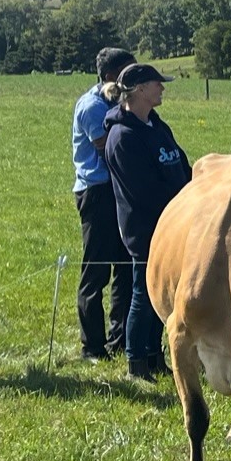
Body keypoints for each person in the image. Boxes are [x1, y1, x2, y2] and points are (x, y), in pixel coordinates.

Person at [104, 63, 192, 380]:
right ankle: (135, 363)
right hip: (146, 231)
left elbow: (181, 163)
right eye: (157, 84)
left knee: (161, 297)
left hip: (172, 226)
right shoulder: (121, 137)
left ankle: (155, 356)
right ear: (140, 89)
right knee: (143, 294)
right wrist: (178, 206)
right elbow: (142, 191)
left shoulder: (157, 126)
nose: (162, 88)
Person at [70, 45, 136, 361]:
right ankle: (91, 346)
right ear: (111, 76)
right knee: (96, 272)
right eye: (129, 71)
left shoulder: (120, 102)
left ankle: (120, 338)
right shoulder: (91, 107)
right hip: (97, 193)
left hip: (119, 190)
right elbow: (107, 151)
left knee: (125, 267)